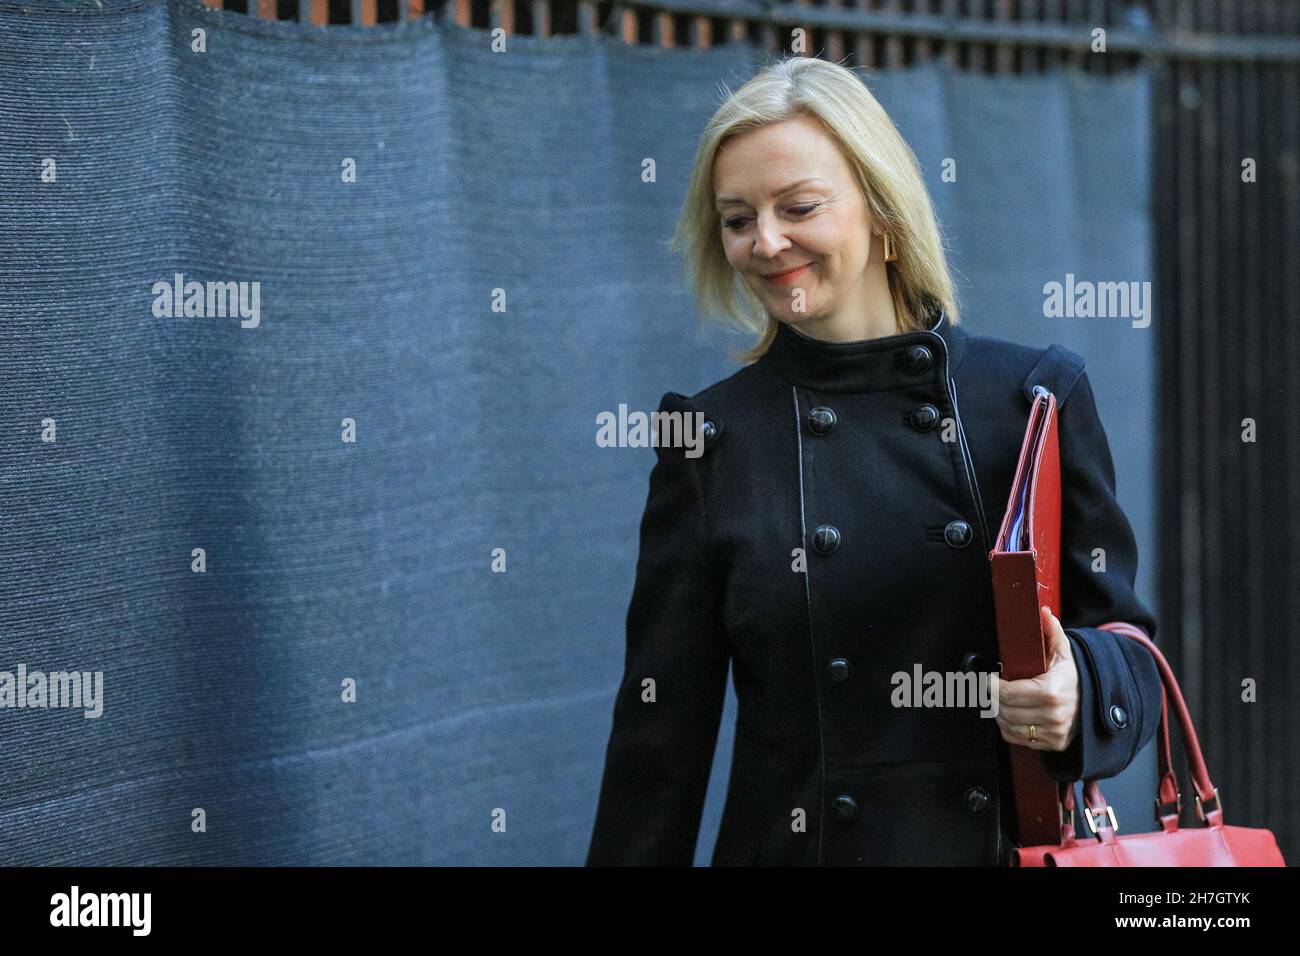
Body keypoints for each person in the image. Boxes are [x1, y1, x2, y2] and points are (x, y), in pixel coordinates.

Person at [586, 56, 1162, 866]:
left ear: (883, 211)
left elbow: (1129, 647)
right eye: (737, 218)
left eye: (799, 206)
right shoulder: (710, 440)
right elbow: (659, 739)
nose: (766, 241)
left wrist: (1082, 689)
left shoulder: (1033, 400)